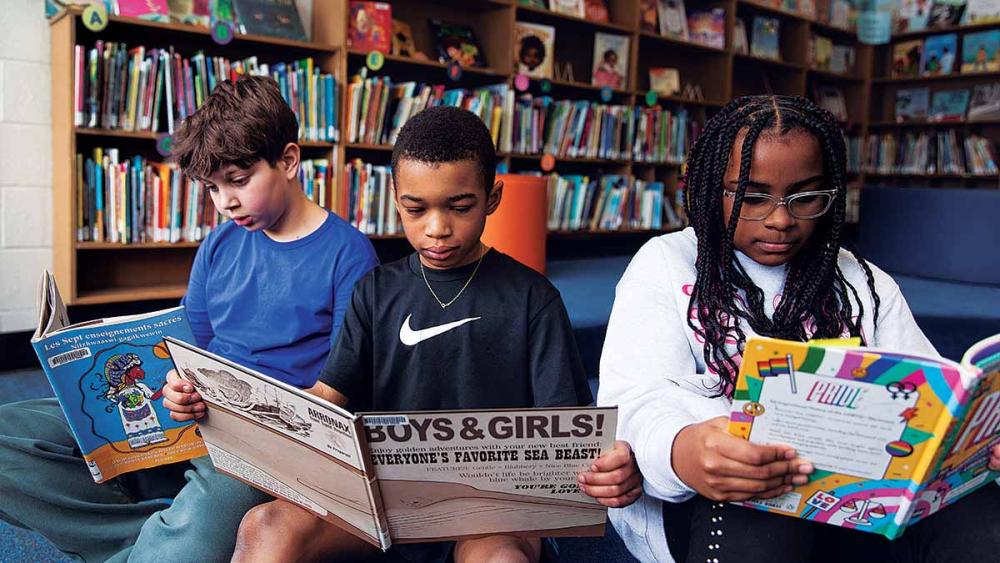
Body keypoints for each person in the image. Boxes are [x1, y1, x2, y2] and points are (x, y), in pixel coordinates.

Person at [182, 105, 640, 562]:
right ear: (395, 198)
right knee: (266, 527)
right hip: (382, 503)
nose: (437, 229)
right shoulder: (375, 291)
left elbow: (571, 435)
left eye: (460, 207)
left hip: (490, 511)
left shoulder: (533, 300)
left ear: (492, 198)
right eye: (415, 209)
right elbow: (326, 397)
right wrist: (226, 404)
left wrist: (612, 468)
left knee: (499, 559)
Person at [597, 94, 1000, 563]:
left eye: (806, 197)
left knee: (980, 516)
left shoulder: (864, 283)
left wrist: (976, 441)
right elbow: (633, 403)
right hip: (719, 506)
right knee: (762, 508)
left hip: (857, 503)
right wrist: (683, 449)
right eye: (751, 197)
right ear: (711, 190)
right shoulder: (664, 266)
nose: (781, 220)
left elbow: (934, 394)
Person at [0, 75, 378, 562]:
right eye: (212, 188)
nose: (225, 202)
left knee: (202, 528)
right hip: (181, 417)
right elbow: (185, 346)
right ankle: (150, 533)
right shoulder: (220, 245)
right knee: (9, 437)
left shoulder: (348, 255)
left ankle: (170, 535)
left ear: (288, 160)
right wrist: (175, 381)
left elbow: (339, 392)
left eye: (238, 182)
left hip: (259, 444)